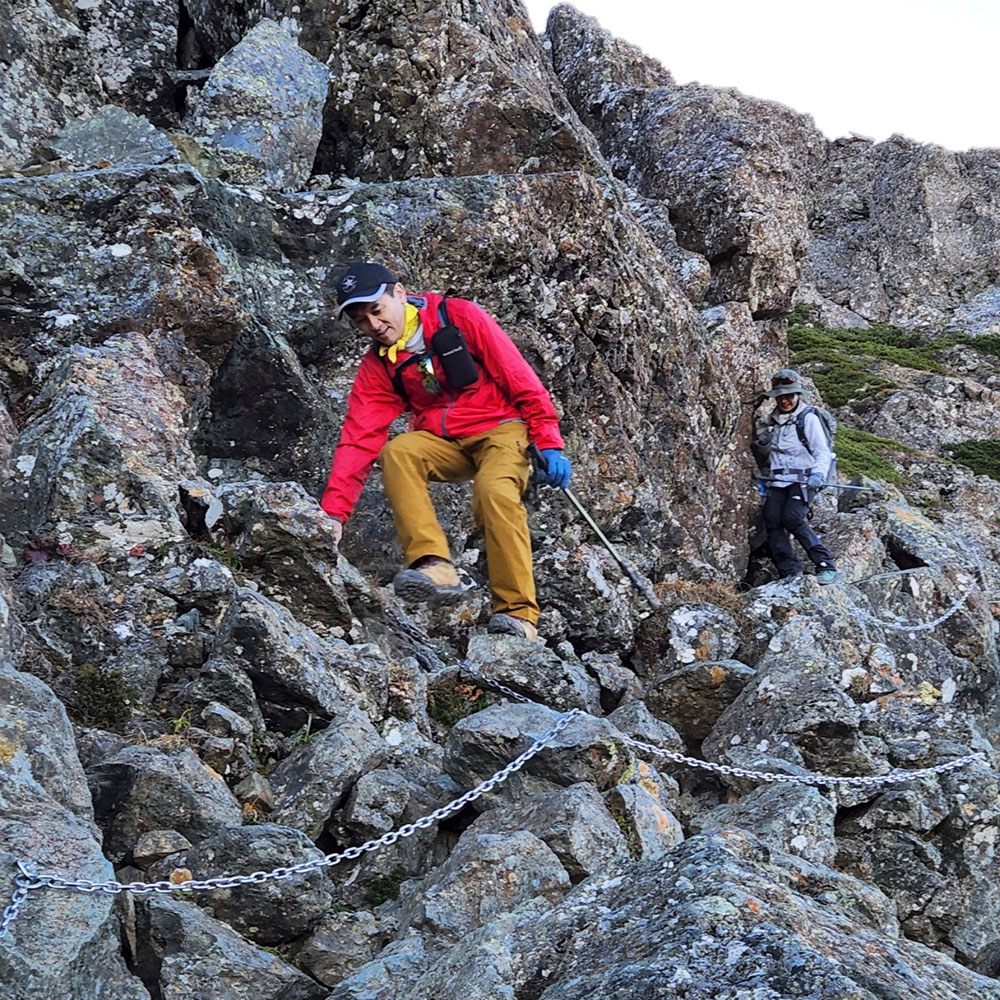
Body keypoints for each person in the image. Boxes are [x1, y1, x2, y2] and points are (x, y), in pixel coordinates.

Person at [320, 262, 571, 641]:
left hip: (502, 430)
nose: (373, 325)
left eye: (376, 310)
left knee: (494, 493)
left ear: (399, 294)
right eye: (360, 320)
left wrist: (548, 441)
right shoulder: (378, 366)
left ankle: (519, 615)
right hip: (444, 443)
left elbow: (519, 377)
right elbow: (358, 438)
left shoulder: (458, 317)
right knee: (399, 452)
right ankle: (435, 566)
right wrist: (333, 515)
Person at [754, 369, 838, 585]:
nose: (785, 400)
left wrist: (818, 474)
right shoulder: (772, 421)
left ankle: (825, 563)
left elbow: (822, 451)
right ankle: (789, 571)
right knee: (772, 520)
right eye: (781, 396)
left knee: (792, 518)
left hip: (804, 480)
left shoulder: (808, 418)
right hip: (777, 480)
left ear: (797, 395)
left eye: (789, 396)